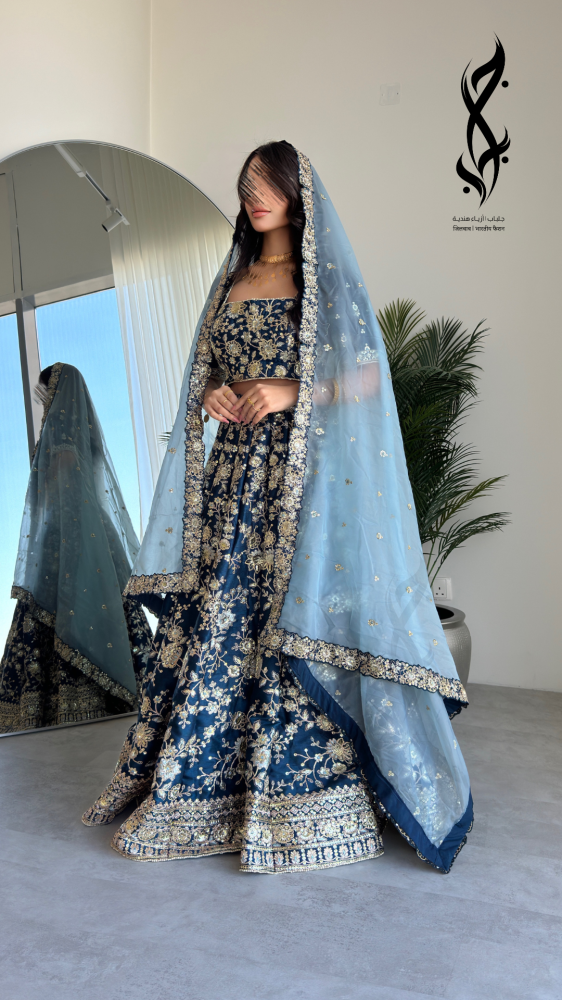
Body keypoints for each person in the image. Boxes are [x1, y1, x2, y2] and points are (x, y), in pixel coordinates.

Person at [82, 142, 472, 873]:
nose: (255, 196)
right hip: (230, 481)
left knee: (290, 614)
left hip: (300, 487)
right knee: (222, 615)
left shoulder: (322, 280)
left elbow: (367, 377)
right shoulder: (231, 280)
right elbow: (206, 372)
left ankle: (303, 794)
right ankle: (202, 783)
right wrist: (213, 395)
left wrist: (294, 390)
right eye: (247, 185)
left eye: (269, 184)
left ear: (298, 195)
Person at [0, 363, 152, 732]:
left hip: (68, 532)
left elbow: (55, 495)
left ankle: (62, 709)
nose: (45, 401)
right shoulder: (88, 438)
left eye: (47, 393)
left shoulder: (61, 442)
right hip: (92, 530)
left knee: (66, 607)